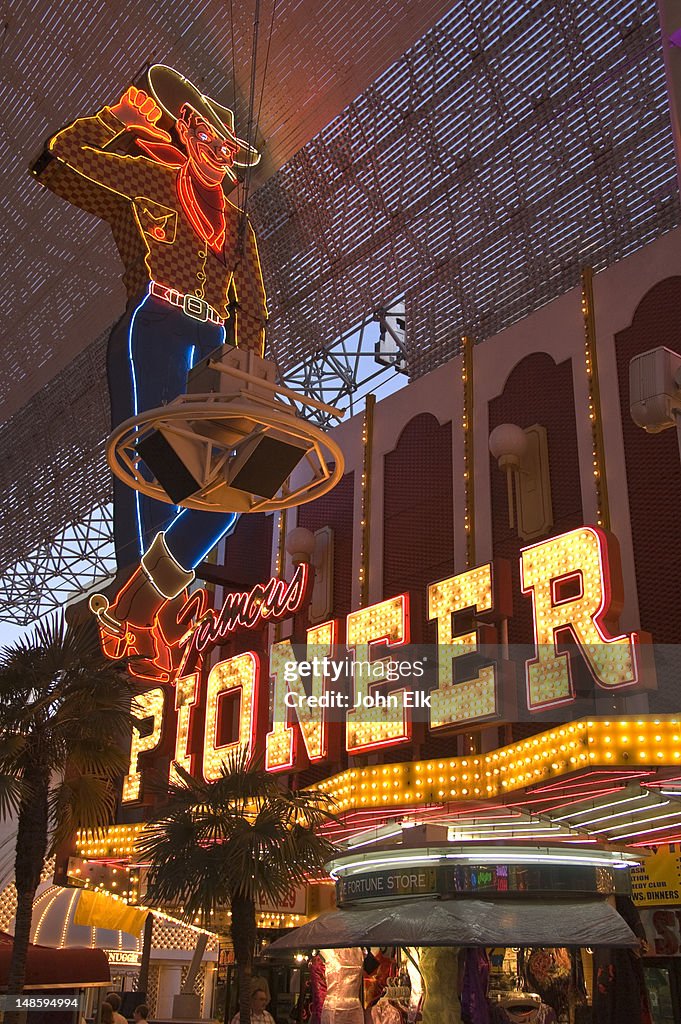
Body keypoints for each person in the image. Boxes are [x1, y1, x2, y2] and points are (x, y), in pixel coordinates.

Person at [33, 65, 268, 660]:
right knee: (155, 468)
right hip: (157, 327)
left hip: (213, 347)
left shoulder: (237, 225)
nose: (219, 154)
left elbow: (255, 305)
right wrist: (118, 121)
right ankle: (146, 617)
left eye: (229, 148)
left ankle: (138, 605)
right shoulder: (156, 180)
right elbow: (60, 160)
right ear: (187, 131)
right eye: (210, 140)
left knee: (232, 489)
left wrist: (247, 368)